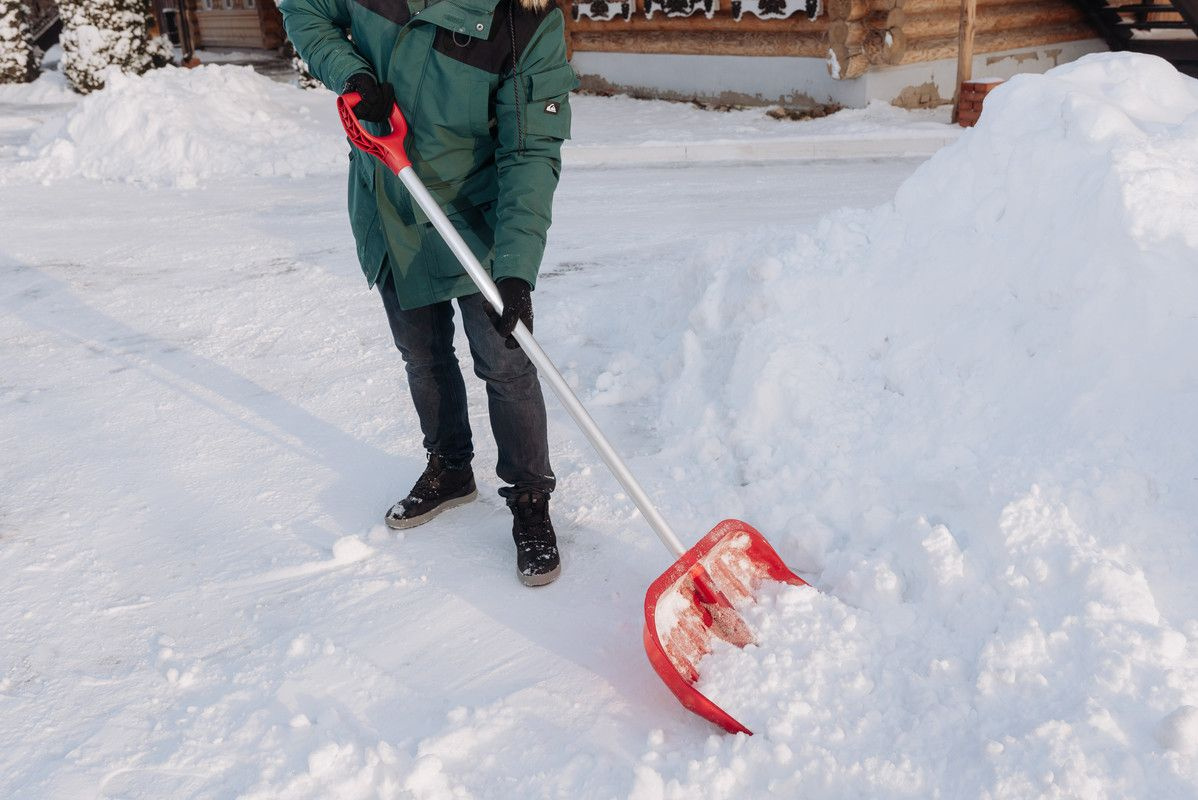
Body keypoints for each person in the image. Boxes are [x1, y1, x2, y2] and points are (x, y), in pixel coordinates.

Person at [279, 0, 578, 586]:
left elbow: (530, 150)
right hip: (391, 201)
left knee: (506, 365)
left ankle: (529, 501)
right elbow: (303, 9)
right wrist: (354, 75)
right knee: (422, 355)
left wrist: (516, 269)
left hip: (479, 217)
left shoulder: (524, 21)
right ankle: (449, 468)